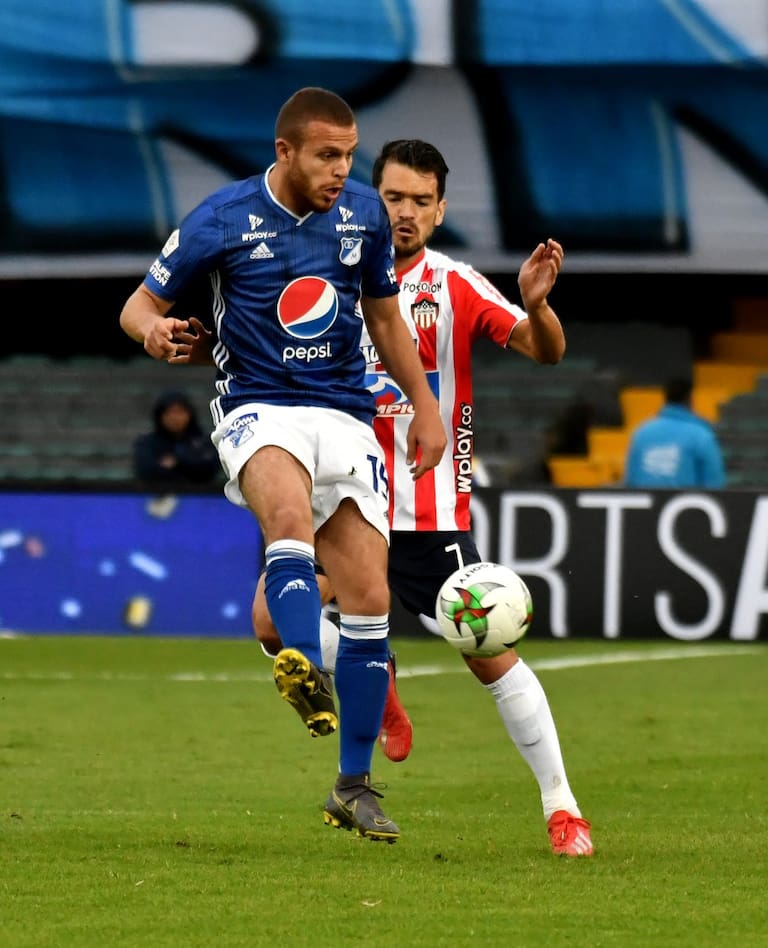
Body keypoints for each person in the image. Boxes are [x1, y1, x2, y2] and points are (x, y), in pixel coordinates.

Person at [237, 139, 593, 857]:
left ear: (440, 211)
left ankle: (563, 808)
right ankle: (379, 675)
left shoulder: (453, 284)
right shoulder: (324, 274)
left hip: (427, 514)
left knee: (491, 655)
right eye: (393, 197)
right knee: (272, 624)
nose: (404, 212)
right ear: (370, 200)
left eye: (420, 202)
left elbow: (545, 350)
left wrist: (537, 306)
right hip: (341, 498)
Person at [119, 89, 447, 844]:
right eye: (327, 156)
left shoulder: (363, 215)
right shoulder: (223, 217)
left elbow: (384, 318)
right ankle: (301, 662)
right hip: (258, 406)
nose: (342, 171)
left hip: (346, 413)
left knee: (369, 598)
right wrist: (155, 333)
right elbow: (137, 306)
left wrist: (425, 407)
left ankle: (353, 787)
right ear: (285, 152)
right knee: (289, 520)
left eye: (349, 155)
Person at [624, 377, 726, 488]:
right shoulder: (701, 435)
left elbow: (630, 481)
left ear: (665, 399)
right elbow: (714, 483)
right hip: (686, 499)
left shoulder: (642, 433)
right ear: (689, 399)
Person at [133, 389, 222, 487]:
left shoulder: (205, 442)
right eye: (169, 412)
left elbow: (209, 468)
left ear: (189, 414)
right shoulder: (147, 443)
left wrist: (178, 461)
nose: (174, 418)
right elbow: (147, 471)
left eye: (179, 412)